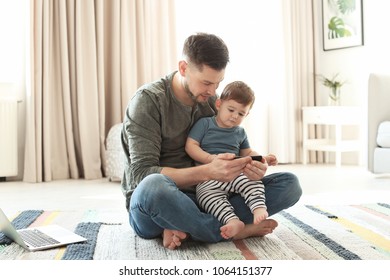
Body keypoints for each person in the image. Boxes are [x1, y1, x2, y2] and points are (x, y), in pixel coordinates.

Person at [121, 32, 302, 250]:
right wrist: (208, 171)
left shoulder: (212, 102)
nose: (213, 92)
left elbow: (235, 148)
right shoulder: (148, 101)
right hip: (159, 202)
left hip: (210, 198)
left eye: (218, 84)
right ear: (183, 68)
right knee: (153, 187)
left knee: (289, 185)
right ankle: (234, 230)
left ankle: (186, 227)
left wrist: (253, 165)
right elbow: (140, 175)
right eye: (206, 82)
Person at [185, 81, 275, 239]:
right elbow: (191, 146)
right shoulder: (205, 124)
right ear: (219, 104)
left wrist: (262, 158)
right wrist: (210, 159)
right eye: (231, 110)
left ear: (247, 115)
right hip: (209, 177)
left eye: (241, 114)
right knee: (206, 197)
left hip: (235, 173)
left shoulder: (240, 132)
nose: (234, 116)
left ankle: (258, 207)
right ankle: (232, 221)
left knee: (252, 181)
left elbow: (247, 152)